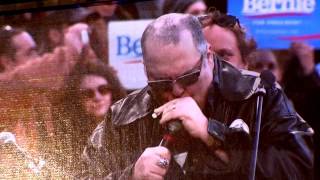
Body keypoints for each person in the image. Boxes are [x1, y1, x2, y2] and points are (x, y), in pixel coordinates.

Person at [79, 13, 313, 179]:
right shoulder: (124, 115)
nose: (177, 90)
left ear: (208, 57)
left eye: (189, 77)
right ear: (145, 70)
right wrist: (129, 176)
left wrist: (212, 134)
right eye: (160, 82)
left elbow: (304, 168)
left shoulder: (257, 94)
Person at [51, 61, 126, 176]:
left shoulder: (130, 130)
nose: (97, 97)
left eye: (103, 89)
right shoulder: (67, 143)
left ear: (113, 93)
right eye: (88, 93)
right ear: (76, 100)